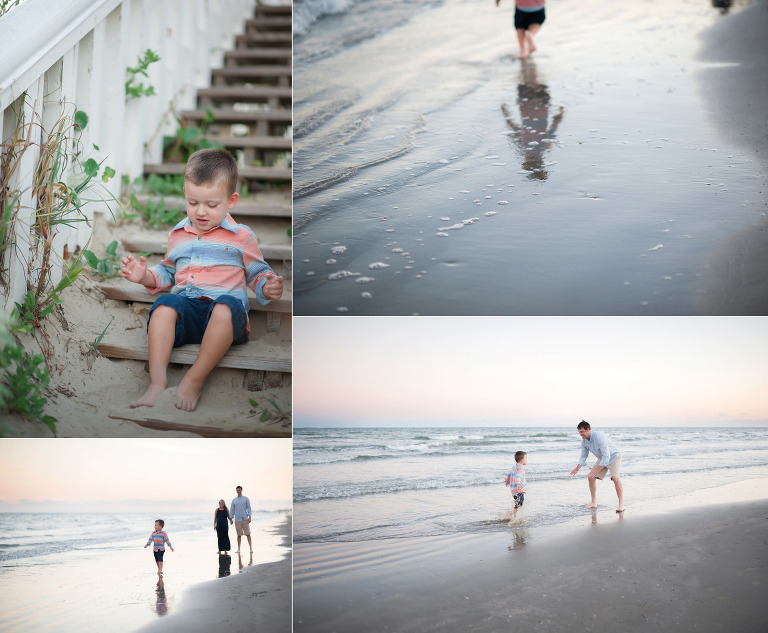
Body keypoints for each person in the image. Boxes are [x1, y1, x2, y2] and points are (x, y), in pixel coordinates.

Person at [120, 148, 284, 412]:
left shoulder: (242, 237)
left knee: (225, 306)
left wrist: (268, 285)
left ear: (231, 201)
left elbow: (257, 273)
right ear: (185, 193)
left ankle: (194, 380)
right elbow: (167, 271)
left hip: (226, 321)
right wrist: (144, 276)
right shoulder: (179, 234)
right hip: (189, 314)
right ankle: (157, 382)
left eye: (211, 204)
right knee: (164, 305)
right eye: (194, 203)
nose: (201, 212)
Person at [569, 420, 625, 513]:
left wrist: (598, 469)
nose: (580, 434)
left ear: (588, 429)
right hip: (602, 457)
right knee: (590, 477)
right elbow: (583, 455)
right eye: (579, 432)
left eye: (582, 432)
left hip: (614, 456)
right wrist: (577, 467)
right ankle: (593, 503)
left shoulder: (599, 437)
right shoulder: (584, 441)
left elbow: (607, 456)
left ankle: (621, 504)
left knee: (615, 478)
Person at [505, 450, 528, 520]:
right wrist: (517, 483)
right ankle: (512, 515)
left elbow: (509, 474)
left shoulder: (514, 467)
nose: (527, 460)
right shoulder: (521, 468)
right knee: (520, 502)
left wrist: (507, 481)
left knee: (518, 502)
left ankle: (511, 513)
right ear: (522, 460)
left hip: (513, 490)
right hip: (518, 489)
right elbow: (518, 476)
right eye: (526, 459)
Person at [230, 485, 253, 554]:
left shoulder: (246, 499)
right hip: (237, 520)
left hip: (245, 518)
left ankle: (251, 549)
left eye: (239, 490)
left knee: (248, 534)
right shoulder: (234, 500)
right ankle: (239, 549)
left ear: (241, 490)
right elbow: (232, 510)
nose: (238, 491)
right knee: (239, 535)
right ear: (236, 491)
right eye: (237, 490)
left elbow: (249, 508)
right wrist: (231, 519)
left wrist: (250, 517)